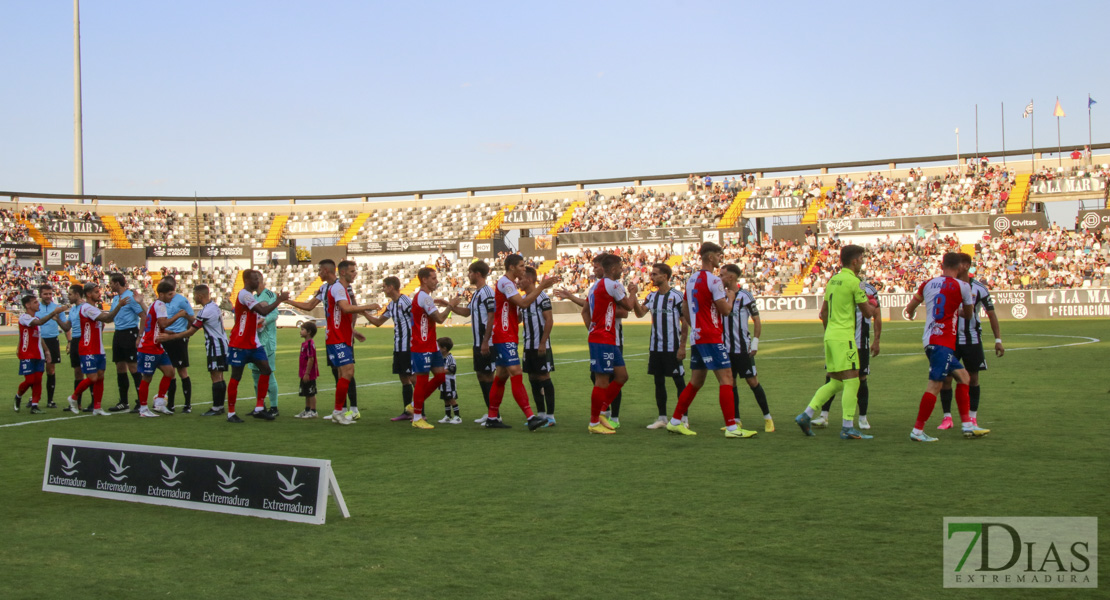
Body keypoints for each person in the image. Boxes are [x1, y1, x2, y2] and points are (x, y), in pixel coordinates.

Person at [902, 252, 991, 442]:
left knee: (963, 376)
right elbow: (968, 314)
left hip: (930, 340)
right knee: (935, 384)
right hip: (942, 342)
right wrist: (953, 311)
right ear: (959, 267)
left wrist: (911, 314)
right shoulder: (963, 286)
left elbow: (909, 308)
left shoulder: (927, 284)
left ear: (942, 265)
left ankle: (967, 425)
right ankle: (917, 431)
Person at [667, 242, 752, 438]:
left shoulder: (691, 279)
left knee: (696, 381)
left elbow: (686, 309)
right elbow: (725, 310)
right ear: (711, 258)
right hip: (711, 336)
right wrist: (730, 297)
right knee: (727, 378)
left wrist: (695, 326)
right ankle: (732, 428)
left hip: (698, 336)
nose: (720, 259)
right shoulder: (714, 281)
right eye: (718, 255)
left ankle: (675, 421)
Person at [794, 245, 877, 440]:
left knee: (836, 382)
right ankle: (848, 426)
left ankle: (806, 415)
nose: (863, 262)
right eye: (862, 258)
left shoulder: (833, 281)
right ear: (855, 261)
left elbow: (823, 313)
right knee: (853, 380)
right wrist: (872, 304)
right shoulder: (855, 282)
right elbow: (867, 312)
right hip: (844, 337)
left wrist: (830, 334)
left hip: (830, 336)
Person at [286, 260, 377, 424]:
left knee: (344, 373)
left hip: (341, 335)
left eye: (320, 270)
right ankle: (340, 410)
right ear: (342, 272)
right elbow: (347, 308)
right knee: (347, 372)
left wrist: (352, 330)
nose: (354, 274)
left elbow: (343, 313)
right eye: (352, 271)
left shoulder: (338, 287)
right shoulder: (337, 288)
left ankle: (341, 411)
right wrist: (367, 306)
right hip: (337, 337)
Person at [482, 255, 555, 431]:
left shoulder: (509, 284)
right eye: (521, 266)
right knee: (516, 373)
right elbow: (523, 303)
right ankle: (530, 417)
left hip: (508, 334)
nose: (524, 269)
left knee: (501, 377)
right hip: (504, 335)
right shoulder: (506, 283)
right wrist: (542, 287)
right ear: (512, 267)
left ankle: (492, 417)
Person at [938, 253, 1004, 429]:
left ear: (966, 266)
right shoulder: (946, 285)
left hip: (971, 339)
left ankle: (972, 418)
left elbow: (991, 314)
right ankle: (947, 418)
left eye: (958, 264)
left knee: (973, 378)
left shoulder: (979, 288)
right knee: (946, 378)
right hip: (950, 339)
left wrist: (998, 339)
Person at [811, 276, 881, 430]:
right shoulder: (839, 286)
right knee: (832, 376)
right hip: (841, 341)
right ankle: (823, 415)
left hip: (860, 343)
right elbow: (824, 312)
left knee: (861, 378)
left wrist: (876, 340)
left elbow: (877, 316)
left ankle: (862, 418)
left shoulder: (868, 290)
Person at [581, 253, 637, 435]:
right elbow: (628, 306)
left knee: (621, 376)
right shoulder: (612, 285)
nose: (622, 270)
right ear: (613, 269)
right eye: (620, 267)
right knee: (602, 380)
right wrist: (634, 292)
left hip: (608, 337)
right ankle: (594, 421)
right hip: (602, 337)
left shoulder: (596, 286)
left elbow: (586, 311)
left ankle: (601, 412)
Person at [225, 269, 289, 423]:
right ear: (247, 280)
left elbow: (257, 315)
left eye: (258, 279)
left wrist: (259, 323)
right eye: (255, 279)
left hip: (254, 343)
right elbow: (263, 310)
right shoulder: (244, 294)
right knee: (236, 376)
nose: (258, 282)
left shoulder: (250, 296)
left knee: (266, 370)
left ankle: (260, 407)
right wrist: (280, 299)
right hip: (240, 343)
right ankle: (231, 413)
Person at [631, 262, 690, 430]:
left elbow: (684, 323)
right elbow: (640, 313)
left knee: (679, 382)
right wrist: (634, 296)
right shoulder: (651, 296)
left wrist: (682, 346)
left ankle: (683, 417)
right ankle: (662, 418)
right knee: (658, 382)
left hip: (673, 347)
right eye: (652, 274)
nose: (652, 277)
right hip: (656, 347)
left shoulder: (677, 296)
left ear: (665, 277)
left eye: (655, 274)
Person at [157, 285, 231, 416]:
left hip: (216, 345)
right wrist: (186, 316)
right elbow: (198, 322)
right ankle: (219, 406)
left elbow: (191, 331)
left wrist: (170, 337)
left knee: (215, 376)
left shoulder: (206, 311)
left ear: (200, 296)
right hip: (221, 343)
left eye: (195, 295)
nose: (194, 297)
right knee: (219, 375)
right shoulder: (213, 307)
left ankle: (217, 407)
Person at [719, 263, 772, 433]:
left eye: (722, 275)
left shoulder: (745, 296)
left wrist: (755, 343)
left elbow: (756, 320)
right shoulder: (721, 296)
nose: (720, 278)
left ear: (731, 277)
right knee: (731, 383)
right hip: (726, 350)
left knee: (752, 382)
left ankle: (768, 418)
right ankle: (736, 420)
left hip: (742, 349)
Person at [443, 260, 496, 423]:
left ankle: (495, 414)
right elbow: (467, 312)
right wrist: (449, 306)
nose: (468, 275)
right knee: (481, 375)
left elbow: (491, 316)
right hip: (478, 342)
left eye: (470, 272)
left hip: (486, 342)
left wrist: (486, 341)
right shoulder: (477, 293)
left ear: (477, 274)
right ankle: (490, 412)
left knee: (488, 377)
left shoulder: (487, 292)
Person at [408, 267, 461, 429]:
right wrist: (450, 306)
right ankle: (417, 417)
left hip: (431, 345)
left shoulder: (424, 297)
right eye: (433, 278)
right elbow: (439, 318)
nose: (436, 281)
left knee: (439, 377)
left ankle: (414, 404)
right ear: (424, 280)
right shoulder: (424, 297)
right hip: (421, 345)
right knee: (422, 381)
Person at [67, 283, 131, 416]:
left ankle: (97, 407)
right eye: (96, 292)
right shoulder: (87, 308)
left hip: (98, 348)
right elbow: (107, 318)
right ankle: (73, 397)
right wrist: (119, 306)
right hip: (88, 347)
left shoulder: (94, 308)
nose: (99, 294)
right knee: (92, 377)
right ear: (89, 294)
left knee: (100, 377)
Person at [364, 276, 413, 421]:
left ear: (391, 287)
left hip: (408, 346)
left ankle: (419, 412)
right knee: (404, 378)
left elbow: (417, 319)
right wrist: (363, 312)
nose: (383, 289)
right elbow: (378, 322)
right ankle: (407, 411)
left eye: (384, 287)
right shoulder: (392, 305)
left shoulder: (406, 302)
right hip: (398, 346)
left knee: (413, 378)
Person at [136, 281, 185, 418]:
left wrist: (169, 333)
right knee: (147, 377)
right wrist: (179, 315)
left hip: (156, 345)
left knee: (169, 371)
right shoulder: (161, 305)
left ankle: (159, 402)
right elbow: (162, 323)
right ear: (162, 294)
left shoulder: (154, 304)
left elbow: (156, 325)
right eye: (170, 294)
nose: (172, 297)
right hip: (148, 346)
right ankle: (143, 408)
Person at [14, 294, 68, 414]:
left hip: (38, 354)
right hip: (27, 354)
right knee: (30, 380)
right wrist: (54, 312)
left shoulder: (36, 320)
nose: (38, 304)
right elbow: (39, 323)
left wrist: (47, 351)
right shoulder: (25, 318)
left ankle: (34, 405)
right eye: (35, 303)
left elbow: (39, 337)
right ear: (27, 305)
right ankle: (18, 395)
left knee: (38, 380)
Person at [518, 266, 556, 426]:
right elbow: (519, 319)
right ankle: (540, 414)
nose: (518, 281)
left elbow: (549, 320)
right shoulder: (523, 299)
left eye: (521, 278)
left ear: (530, 279)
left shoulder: (542, 298)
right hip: (528, 345)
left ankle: (551, 416)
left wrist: (542, 342)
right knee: (532, 378)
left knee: (544, 377)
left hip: (540, 345)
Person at [106, 273, 146, 413]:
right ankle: (123, 402)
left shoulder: (130, 297)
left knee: (133, 368)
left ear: (117, 283)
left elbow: (143, 316)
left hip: (130, 333)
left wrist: (140, 336)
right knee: (120, 367)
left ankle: (142, 401)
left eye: (111, 283)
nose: (110, 285)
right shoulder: (116, 298)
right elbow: (111, 316)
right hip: (118, 334)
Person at [159, 275, 196, 413]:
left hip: (178, 338)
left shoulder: (181, 300)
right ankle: (171, 405)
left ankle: (187, 405)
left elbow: (192, 318)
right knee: (170, 372)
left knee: (182, 371)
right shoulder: (161, 300)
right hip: (165, 337)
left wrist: (185, 334)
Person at [247, 273, 280, 416]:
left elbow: (275, 313)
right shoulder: (253, 298)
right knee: (255, 375)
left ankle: (274, 407)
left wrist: (263, 322)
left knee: (268, 373)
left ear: (258, 280)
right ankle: (260, 406)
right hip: (254, 342)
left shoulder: (270, 294)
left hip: (267, 341)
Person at [59, 284, 87, 412]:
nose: (68, 296)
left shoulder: (85, 308)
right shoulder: (73, 310)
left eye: (70, 294)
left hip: (84, 340)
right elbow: (66, 327)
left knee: (90, 371)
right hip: (75, 341)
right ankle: (77, 403)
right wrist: (56, 319)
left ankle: (94, 403)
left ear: (77, 294)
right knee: (77, 372)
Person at [35, 285, 63, 408]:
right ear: (40, 294)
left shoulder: (57, 308)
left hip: (52, 340)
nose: (48, 296)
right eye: (45, 294)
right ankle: (34, 398)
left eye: (50, 294)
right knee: (36, 371)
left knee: (50, 370)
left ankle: (50, 400)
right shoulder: (35, 307)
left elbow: (64, 325)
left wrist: (69, 341)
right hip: (37, 340)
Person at [295, 322, 319, 419]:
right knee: (306, 392)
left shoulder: (309, 344)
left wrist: (307, 373)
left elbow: (311, 358)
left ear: (309, 332)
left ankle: (313, 411)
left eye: (302, 329)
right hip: (304, 372)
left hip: (309, 373)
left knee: (311, 392)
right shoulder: (305, 343)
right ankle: (307, 409)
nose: (300, 331)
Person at [436, 337, 461, 424]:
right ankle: (448, 416)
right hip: (442, 382)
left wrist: (440, 371)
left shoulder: (450, 358)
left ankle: (457, 417)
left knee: (451, 399)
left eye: (438, 346)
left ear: (444, 348)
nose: (436, 348)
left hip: (449, 383)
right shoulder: (440, 357)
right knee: (445, 399)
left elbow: (452, 370)